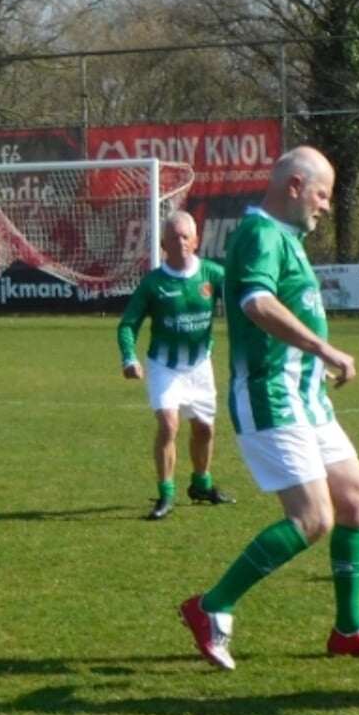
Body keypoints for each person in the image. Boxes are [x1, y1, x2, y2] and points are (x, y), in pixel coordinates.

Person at [178, 146, 359, 669]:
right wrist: (322, 349)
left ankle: (348, 628)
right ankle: (210, 607)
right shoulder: (260, 233)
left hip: (306, 397)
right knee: (313, 518)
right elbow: (257, 304)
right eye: (322, 194)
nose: (326, 206)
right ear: (294, 186)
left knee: (358, 499)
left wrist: (312, 365)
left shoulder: (287, 237)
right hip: (269, 396)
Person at [117, 210, 234, 520]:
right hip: (163, 367)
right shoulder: (153, 283)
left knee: (205, 429)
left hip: (200, 366)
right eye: (173, 237)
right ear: (163, 244)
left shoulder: (212, 274)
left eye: (185, 236)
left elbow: (244, 298)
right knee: (169, 424)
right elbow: (128, 325)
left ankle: (201, 484)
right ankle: (165, 494)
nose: (180, 241)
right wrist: (129, 357)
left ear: (195, 241)